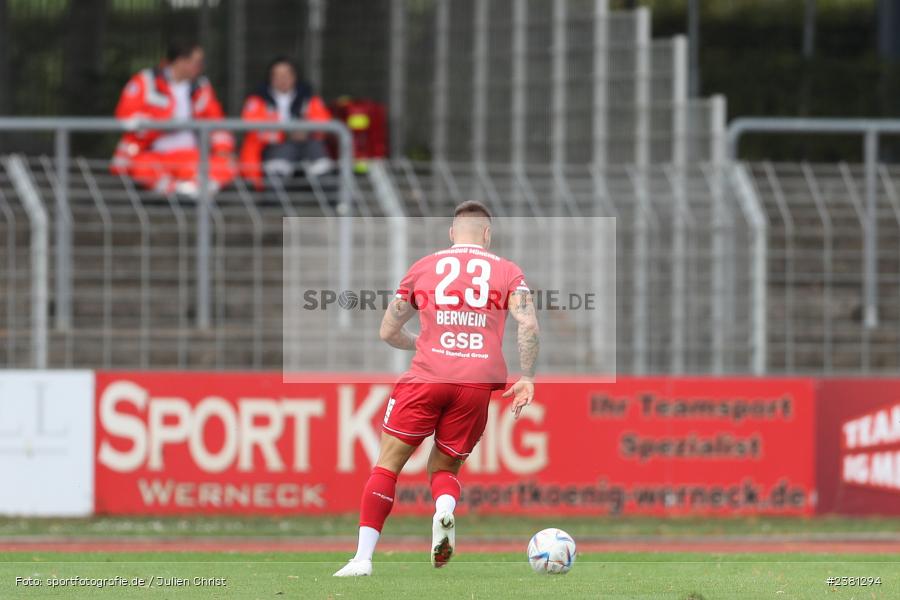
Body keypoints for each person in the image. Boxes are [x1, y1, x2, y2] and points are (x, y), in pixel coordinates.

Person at [333, 201, 540, 577]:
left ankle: (362, 559)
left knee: (389, 464)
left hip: (427, 377)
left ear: (451, 233)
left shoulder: (425, 266)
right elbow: (528, 324)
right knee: (445, 467)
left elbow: (388, 331)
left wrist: (425, 343)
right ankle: (444, 509)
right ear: (487, 235)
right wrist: (526, 375)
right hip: (475, 385)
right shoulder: (508, 271)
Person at [111, 39, 236, 197]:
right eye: (196, 62)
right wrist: (164, 123)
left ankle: (188, 190)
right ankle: (181, 191)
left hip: (192, 156)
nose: (200, 67)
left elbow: (217, 122)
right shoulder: (146, 81)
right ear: (180, 61)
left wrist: (223, 150)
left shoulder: (201, 87)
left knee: (226, 165)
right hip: (153, 154)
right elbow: (125, 116)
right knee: (141, 167)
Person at [239, 56, 334, 188]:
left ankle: (330, 199)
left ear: (294, 76)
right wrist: (285, 134)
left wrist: (307, 131)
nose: (282, 79)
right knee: (283, 152)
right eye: (277, 75)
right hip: (273, 149)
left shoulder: (308, 98)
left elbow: (324, 123)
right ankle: (274, 199)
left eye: (286, 74)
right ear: (270, 78)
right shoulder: (258, 100)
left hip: (307, 145)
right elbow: (253, 128)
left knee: (317, 153)